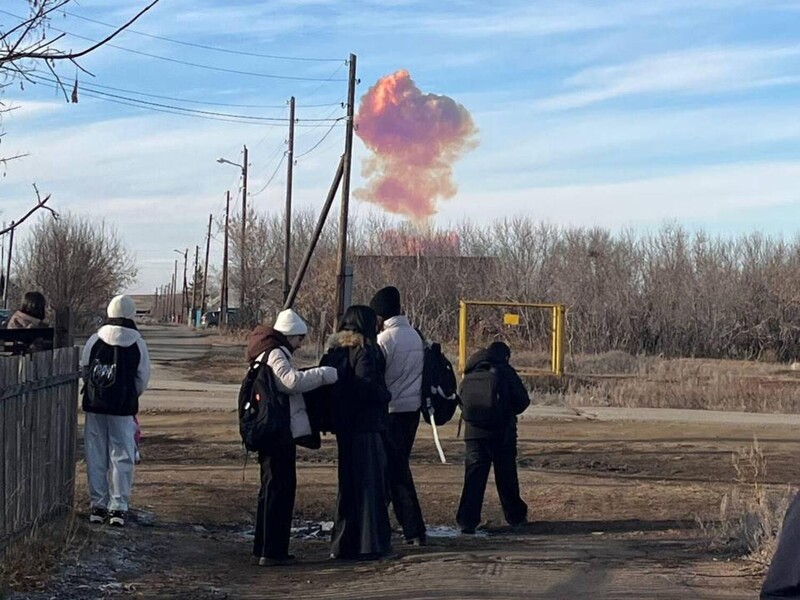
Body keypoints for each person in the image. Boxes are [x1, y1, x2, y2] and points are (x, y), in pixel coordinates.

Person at [245, 308, 338, 566]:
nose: (300, 344)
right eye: (299, 338)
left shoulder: (264, 351)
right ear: (289, 336)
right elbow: (290, 382)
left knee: (270, 489)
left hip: (268, 431)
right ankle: (274, 551)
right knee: (280, 489)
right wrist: (323, 374)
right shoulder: (276, 353)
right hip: (278, 433)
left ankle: (263, 547)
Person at [326, 305, 393, 560]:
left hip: (345, 426)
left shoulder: (336, 349)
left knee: (348, 485)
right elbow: (365, 388)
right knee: (370, 486)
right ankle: (369, 544)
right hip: (367, 425)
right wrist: (385, 394)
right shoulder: (365, 351)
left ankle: (343, 543)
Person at [80, 295, 151, 528]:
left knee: (95, 453)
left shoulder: (95, 339)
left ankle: (97, 505)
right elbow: (142, 377)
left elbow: (85, 370)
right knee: (122, 455)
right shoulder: (137, 342)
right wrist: (130, 395)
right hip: (122, 408)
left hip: (95, 405)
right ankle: (118, 507)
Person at [369, 286, 427, 545]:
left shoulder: (384, 341)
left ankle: (411, 528)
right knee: (395, 466)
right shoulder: (415, 336)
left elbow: (376, 375)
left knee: (394, 470)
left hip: (390, 411)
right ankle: (383, 523)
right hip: (412, 411)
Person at [456, 341, 530, 534]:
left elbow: (462, 401)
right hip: (501, 432)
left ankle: (467, 521)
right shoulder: (505, 371)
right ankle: (515, 516)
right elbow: (523, 400)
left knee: (474, 478)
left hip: (473, 434)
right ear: (505, 356)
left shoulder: (470, 371)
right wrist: (506, 412)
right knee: (506, 477)